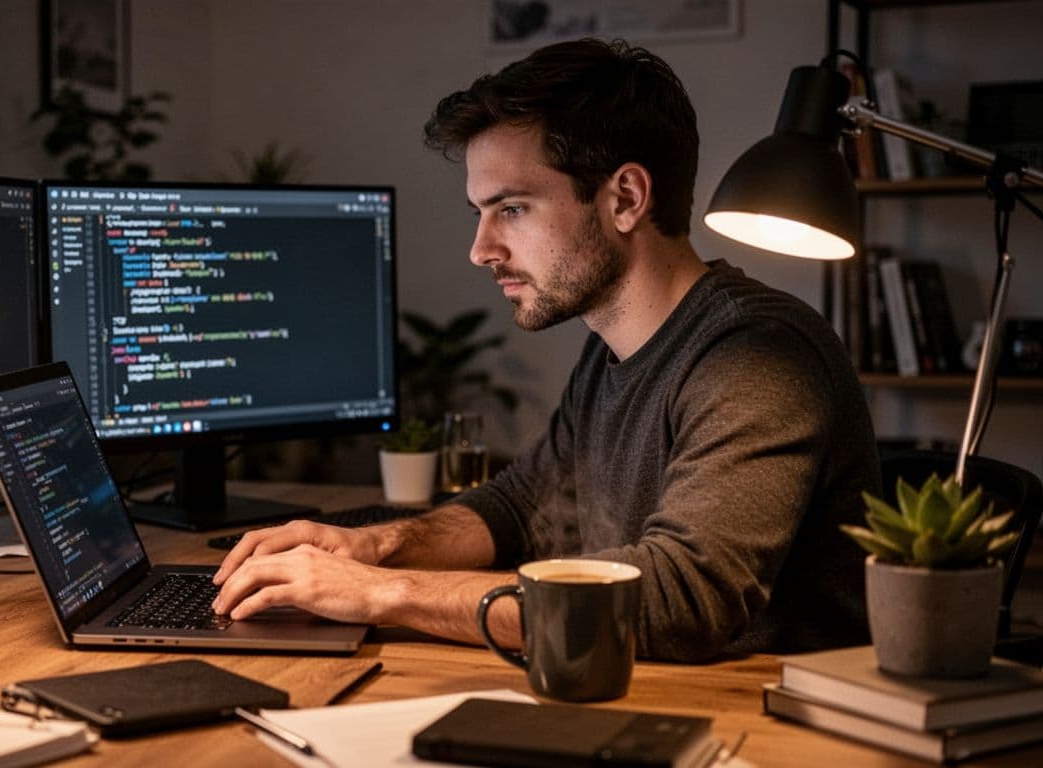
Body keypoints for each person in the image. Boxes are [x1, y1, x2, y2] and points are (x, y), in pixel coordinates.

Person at [212, 38, 879, 662]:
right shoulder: (612, 345)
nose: (481, 250)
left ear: (625, 198)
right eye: (481, 212)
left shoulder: (756, 357)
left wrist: (384, 592)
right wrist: (372, 545)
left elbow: (679, 602)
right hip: (635, 691)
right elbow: (520, 508)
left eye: (512, 209)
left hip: (766, 726)